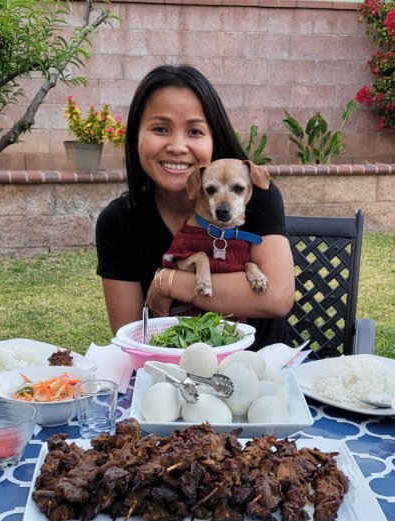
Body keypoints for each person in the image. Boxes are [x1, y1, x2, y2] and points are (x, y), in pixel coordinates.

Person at [95, 64, 296, 349]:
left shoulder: (256, 195)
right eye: (160, 128)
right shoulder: (120, 221)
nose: (178, 146)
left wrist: (169, 281)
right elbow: (130, 337)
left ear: (215, 138)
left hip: (263, 368)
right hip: (171, 372)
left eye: (195, 131)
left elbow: (276, 296)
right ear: (135, 136)